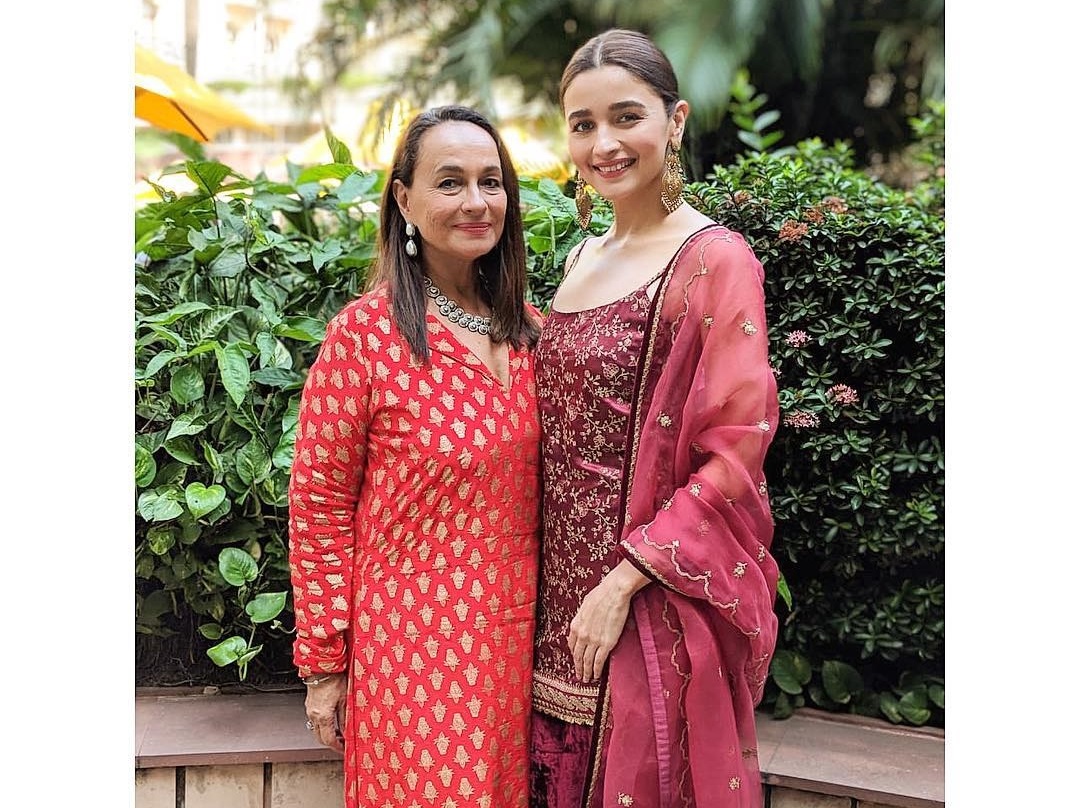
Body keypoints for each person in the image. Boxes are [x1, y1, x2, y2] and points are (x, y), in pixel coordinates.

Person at [528, 30, 781, 808]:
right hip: (542, 615)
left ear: (675, 122)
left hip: (642, 608)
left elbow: (734, 452)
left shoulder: (714, 258)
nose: (603, 143)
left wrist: (621, 583)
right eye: (582, 124)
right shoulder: (579, 258)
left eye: (625, 117)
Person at [288, 104, 543, 808]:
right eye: (450, 182)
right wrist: (323, 667)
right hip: (413, 655)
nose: (476, 202)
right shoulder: (364, 337)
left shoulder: (529, 334)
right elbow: (318, 508)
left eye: (491, 182)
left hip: (517, 650)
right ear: (404, 199)